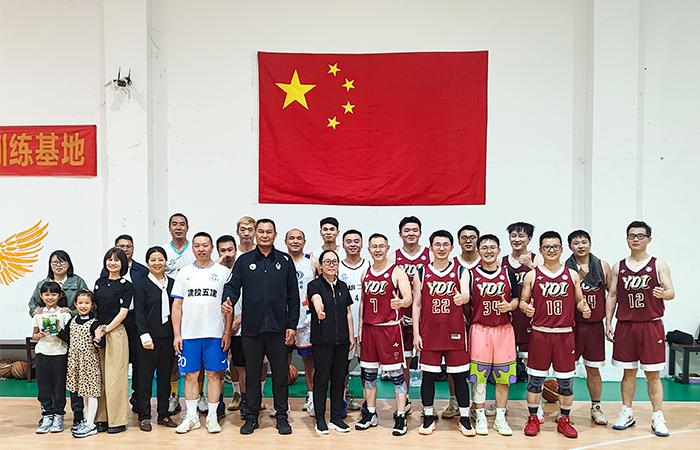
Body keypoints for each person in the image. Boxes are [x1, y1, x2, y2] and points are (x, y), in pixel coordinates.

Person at [222, 218, 300, 436]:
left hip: (278, 330)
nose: (265, 235)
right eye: (261, 231)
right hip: (252, 330)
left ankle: (282, 416)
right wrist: (228, 300)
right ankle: (252, 417)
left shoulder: (285, 261)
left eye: (269, 232)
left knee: (280, 376)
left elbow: (293, 296)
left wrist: (292, 325)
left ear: (275, 235)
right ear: (256, 234)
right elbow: (232, 287)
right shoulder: (244, 261)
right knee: (252, 376)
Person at [606, 221, 675, 437]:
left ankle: (658, 416)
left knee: (653, 375)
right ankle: (627, 412)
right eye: (632, 235)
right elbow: (612, 295)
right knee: (628, 372)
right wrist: (608, 322)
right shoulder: (619, 266)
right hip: (626, 325)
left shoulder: (658, 264)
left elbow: (671, 291)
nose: (635, 239)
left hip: (650, 325)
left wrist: (664, 294)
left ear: (649, 239)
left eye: (640, 236)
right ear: (627, 238)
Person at [519, 231, 590, 439]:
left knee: (566, 382)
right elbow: (523, 301)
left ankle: (564, 419)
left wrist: (584, 307)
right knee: (535, 380)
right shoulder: (532, 275)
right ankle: (533, 418)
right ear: (541, 250)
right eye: (547, 247)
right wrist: (526, 308)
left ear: (561, 249)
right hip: (540, 334)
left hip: (564, 335)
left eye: (555, 247)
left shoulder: (572, 274)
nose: (551, 250)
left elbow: (579, 300)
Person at [413, 230, 474, 437]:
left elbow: (466, 294)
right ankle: (429, 417)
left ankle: (464, 419)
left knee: (459, 377)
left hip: (455, 332)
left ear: (451, 247)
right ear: (430, 247)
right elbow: (417, 304)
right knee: (428, 377)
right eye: (437, 244)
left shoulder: (461, 271)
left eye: (445, 244)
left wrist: (461, 298)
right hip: (429, 333)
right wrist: (416, 334)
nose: (441, 248)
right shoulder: (421, 272)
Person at [171, 232, 232, 434]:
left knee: (214, 374)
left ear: (212, 247)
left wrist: (227, 332)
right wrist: (177, 334)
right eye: (197, 245)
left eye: (205, 245)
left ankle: (212, 417)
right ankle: (191, 417)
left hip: (215, 333)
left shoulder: (223, 272)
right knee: (190, 375)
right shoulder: (184, 272)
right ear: (193, 248)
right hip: (189, 334)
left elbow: (229, 305)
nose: (201, 249)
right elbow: (177, 305)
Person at [355, 233, 412, 436]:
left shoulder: (397, 271)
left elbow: (409, 298)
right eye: (374, 246)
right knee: (369, 375)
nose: (378, 249)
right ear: (369, 249)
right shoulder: (365, 273)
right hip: (370, 329)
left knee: (397, 376)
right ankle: (370, 413)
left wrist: (401, 303)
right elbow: (363, 303)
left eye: (381, 246)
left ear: (387, 248)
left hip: (390, 329)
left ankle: (401, 415)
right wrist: (360, 328)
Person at [462, 234, 519, 436]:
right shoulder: (470, 274)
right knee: (479, 377)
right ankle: (480, 415)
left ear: (499, 250)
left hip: (504, 330)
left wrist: (510, 306)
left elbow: (516, 299)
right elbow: (465, 303)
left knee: (503, 377)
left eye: (492, 247)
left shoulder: (508, 273)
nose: (488, 251)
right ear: (478, 251)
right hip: (480, 329)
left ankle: (500, 417)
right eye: (484, 247)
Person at [566, 230, 611, 426]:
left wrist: (609, 322)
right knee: (566, 370)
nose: (580, 246)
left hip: (594, 327)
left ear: (590, 244)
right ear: (570, 247)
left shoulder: (602, 265)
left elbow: (612, 295)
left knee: (593, 369)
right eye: (576, 243)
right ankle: (564, 410)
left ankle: (596, 407)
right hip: (572, 327)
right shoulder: (565, 268)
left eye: (584, 242)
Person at [100, 235, 148, 414]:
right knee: (115, 363)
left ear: (133, 249)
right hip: (114, 322)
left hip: (135, 319)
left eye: (129, 246)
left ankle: (137, 398)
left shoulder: (142, 271)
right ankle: (112, 404)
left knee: (138, 361)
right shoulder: (105, 272)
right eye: (121, 246)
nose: (125, 249)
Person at [308, 250, 355, 434]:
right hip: (322, 341)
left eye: (334, 261)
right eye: (327, 261)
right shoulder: (315, 285)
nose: (331, 265)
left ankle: (336, 417)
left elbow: (348, 312)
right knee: (321, 380)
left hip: (342, 341)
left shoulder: (342, 286)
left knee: (338, 379)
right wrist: (319, 309)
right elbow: (316, 299)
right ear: (321, 265)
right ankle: (320, 419)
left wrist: (351, 335)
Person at [229, 217, 271, 417]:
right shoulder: (232, 255)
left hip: (257, 319)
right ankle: (238, 394)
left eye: (250, 229)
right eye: (242, 229)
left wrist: (241, 318)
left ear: (255, 231)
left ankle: (258, 395)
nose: (246, 233)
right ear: (237, 231)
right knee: (237, 360)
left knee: (261, 361)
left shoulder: (263, 255)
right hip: (232, 318)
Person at [501, 222, 543, 420]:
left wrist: (531, 266)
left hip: (529, 319)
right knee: (504, 365)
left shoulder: (538, 259)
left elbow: (547, 282)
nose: (517, 239)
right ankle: (502, 406)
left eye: (521, 236)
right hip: (507, 319)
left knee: (532, 365)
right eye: (513, 235)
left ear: (529, 239)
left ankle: (537, 406)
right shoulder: (502, 261)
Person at [133, 246, 178, 431]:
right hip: (148, 340)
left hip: (168, 338)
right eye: (153, 260)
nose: (157, 263)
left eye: (161, 259)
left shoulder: (173, 283)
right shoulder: (141, 284)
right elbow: (139, 313)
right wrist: (145, 336)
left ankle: (163, 414)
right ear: (147, 263)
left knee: (165, 378)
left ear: (166, 262)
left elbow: (178, 311)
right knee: (144, 379)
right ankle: (144, 416)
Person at [393, 216, 431, 414]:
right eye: (407, 230)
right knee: (404, 362)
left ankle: (427, 405)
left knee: (428, 363)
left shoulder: (430, 254)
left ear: (420, 232)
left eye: (415, 230)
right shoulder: (394, 257)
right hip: (402, 316)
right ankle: (405, 400)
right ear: (400, 233)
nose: (411, 233)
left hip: (426, 316)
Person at [94, 248, 133, 434]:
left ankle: (117, 420)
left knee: (115, 378)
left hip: (115, 332)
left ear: (123, 263)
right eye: (109, 259)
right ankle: (101, 417)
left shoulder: (127, 285)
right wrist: (97, 330)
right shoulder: (99, 283)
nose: (112, 263)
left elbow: (123, 312)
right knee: (100, 377)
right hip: (98, 333)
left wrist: (107, 329)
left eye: (117, 260)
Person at [443, 224, 480, 419]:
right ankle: (454, 401)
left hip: (481, 322)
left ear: (477, 239)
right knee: (453, 366)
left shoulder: (487, 262)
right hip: (456, 324)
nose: (468, 240)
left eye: (472, 237)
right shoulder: (453, 265)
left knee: (479, 364)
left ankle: (477, 404)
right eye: (464, 237)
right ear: (458, 241)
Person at [59, 290, 103, 439]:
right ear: (75, 304)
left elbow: (100, 344)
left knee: (91, 393)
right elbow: (67, 337)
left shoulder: (94, 323)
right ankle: (85, 419)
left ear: (92, 305)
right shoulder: (72, 321)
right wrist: (56, 328)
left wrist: (98, 338)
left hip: (89, 362)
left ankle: (91, 424)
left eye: (87, 303)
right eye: (80, 303)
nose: (83, 306)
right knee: (82, 393)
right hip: (75, 361)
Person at [285, 228, 319, 416]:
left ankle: (312, 397)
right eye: (292, 238)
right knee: (283, 361)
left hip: (307, 318)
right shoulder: (280, 261)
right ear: (285, 241)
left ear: (304, 242)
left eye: (299, 238)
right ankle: (282, 401)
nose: (295, 241)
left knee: (309, 361)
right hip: (285, 319)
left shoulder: (312, 262)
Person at [164, 213, 195, 414]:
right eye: (174, 224)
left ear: (187, 227)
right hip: (170, 307)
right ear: (169, 228)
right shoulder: (164, 251)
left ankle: (200, 395)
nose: (178, 227)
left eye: (182, 224)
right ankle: (173, 395)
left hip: (193, 309)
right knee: (172, 356)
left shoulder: (195, 250)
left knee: (197, 356)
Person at [32, 281, 72, 434]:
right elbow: (34, 335)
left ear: (59, 295)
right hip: (42, 352)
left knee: (59, 386)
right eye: (46, 294)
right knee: (44, 386)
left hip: (60, 352)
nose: (50, 297)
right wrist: (40, 335)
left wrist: (60, 330)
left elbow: (69, 336)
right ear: (41, 296)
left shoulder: (65, 314)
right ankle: (47, 415)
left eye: (53, 294)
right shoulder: (38, 314)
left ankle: (58, 416)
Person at [338, 229, 369, 412]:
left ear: (362, 243)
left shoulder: (370, 266)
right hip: (344, 327)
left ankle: (368, 404)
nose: (352, 244)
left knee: (367, 368)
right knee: (343, 367)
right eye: (348, 241)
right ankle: (342, 400)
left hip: (367, 327)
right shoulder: (337, 267)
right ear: (343, 244)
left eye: (356, 241)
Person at [29, 250, 90, 316]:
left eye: (62, 262)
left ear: (68, 264)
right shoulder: (42, 284)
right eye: (55, 262)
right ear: (50, 265)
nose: (58, 265)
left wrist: (72, 312)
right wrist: (36, 311)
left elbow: (88, 302)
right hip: (48, 320)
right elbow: (33, 304)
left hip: (73, 320)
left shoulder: (78, 281)